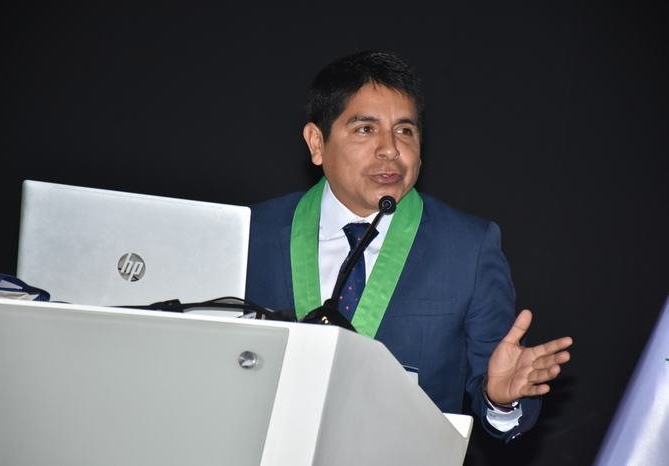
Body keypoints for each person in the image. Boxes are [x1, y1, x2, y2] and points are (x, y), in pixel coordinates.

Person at [245, 49, 572, 442]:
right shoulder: (252, 233)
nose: (390, 149)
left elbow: (499, 389)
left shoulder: (467, 248)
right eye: (365, 129)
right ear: (317, 143)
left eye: (404, 131)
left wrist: (500, 399)